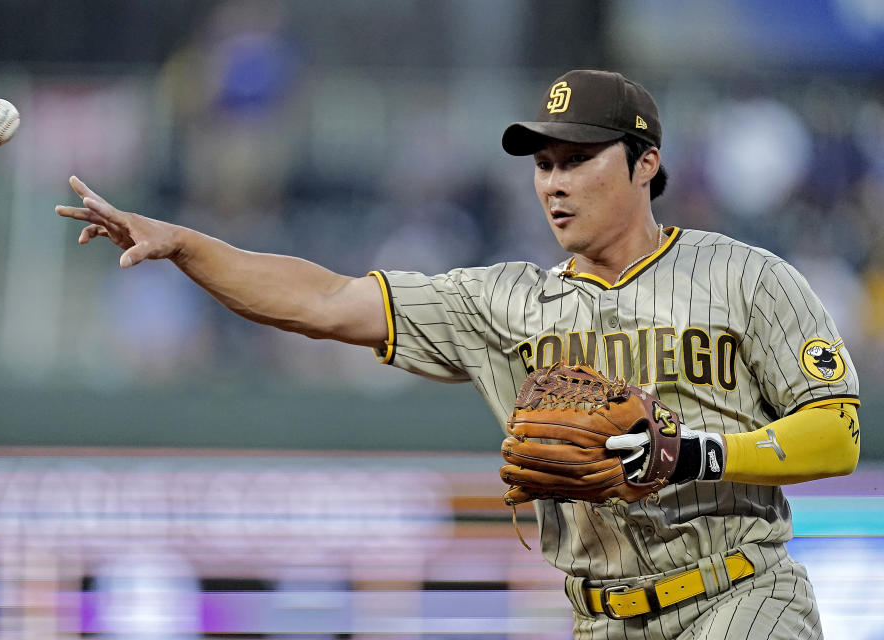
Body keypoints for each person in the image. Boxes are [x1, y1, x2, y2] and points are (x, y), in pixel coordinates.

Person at [56, 69, 859, 639]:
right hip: (600, 616)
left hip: (741, 601)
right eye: (544, 164)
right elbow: (324, 302)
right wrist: (183, 244)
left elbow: (839, 433)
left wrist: (692, 454)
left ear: (646, 164)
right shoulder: (502, 301)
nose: (554, 182)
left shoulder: (747, 277)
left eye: (578, 159)